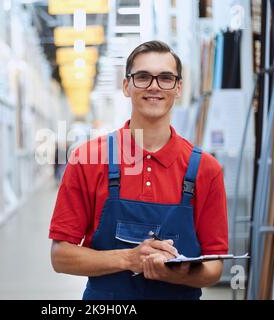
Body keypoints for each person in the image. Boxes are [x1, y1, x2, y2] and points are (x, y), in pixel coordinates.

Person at [49, 41, 228, 300]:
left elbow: (214, 266)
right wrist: (130, 259)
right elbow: (61, 257)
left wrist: (174, 274)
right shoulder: (87, 159)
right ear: (126, 86)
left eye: (165, 78)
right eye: (142, 77)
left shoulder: (205, 169)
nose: (154, 86)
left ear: (178, 87)